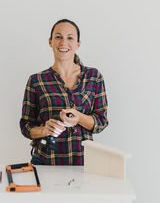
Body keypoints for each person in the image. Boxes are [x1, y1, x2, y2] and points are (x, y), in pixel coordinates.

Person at [20, 19, 108, 165]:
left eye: (70, 38)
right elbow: (26, 127)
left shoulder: (93, 76)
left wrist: (78, 117)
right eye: (58, 37)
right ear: (50, 42)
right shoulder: (36, 80)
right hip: (45, 162)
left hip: (83, 162)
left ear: (78, 44)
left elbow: (101, 122)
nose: (63, 43)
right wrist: (45, 130)